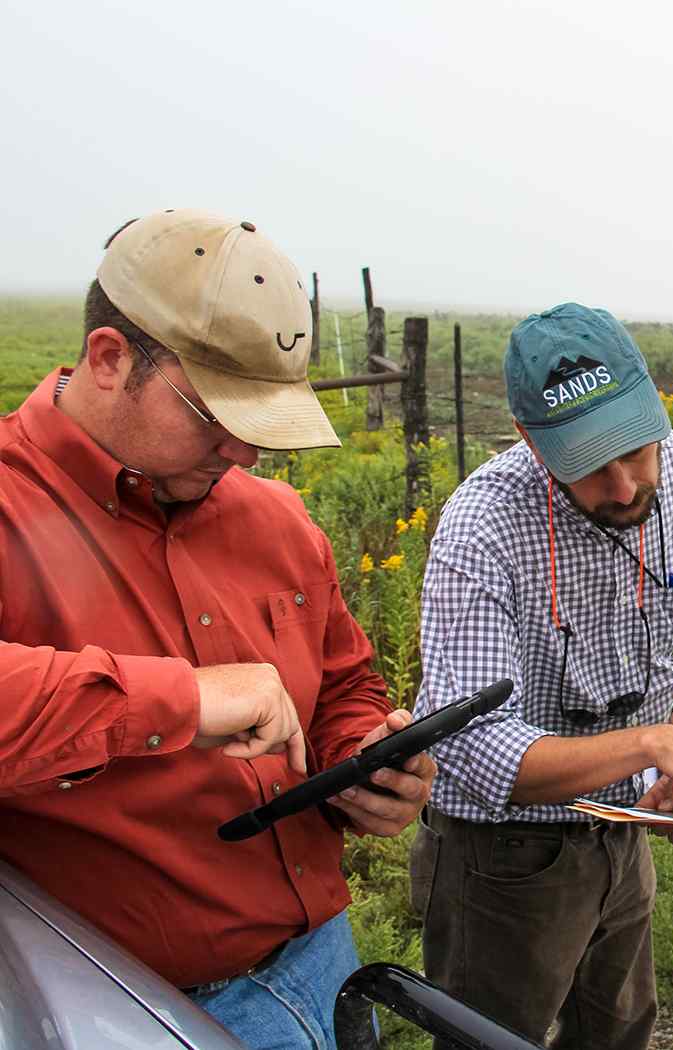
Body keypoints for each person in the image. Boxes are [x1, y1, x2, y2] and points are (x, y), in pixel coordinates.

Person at [0, 209, 435, 1050]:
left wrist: (360, 759)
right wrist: (178, 697)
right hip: (120, 1011)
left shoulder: (275, 521)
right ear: (109, 359)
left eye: (262, 424)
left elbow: (343, 684)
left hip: (324, 971)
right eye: (214, 416)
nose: (243, 452)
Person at [411, 302, 673, 1050]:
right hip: (502, 857)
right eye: (592, 464)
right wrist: (649, 745)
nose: (628, 484)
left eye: (637, 446)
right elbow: (473, 753)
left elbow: (656, 648)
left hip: (621, 833)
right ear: (532, 443)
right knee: (498, 1038)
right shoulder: (481, 529)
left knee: (619, 1031)